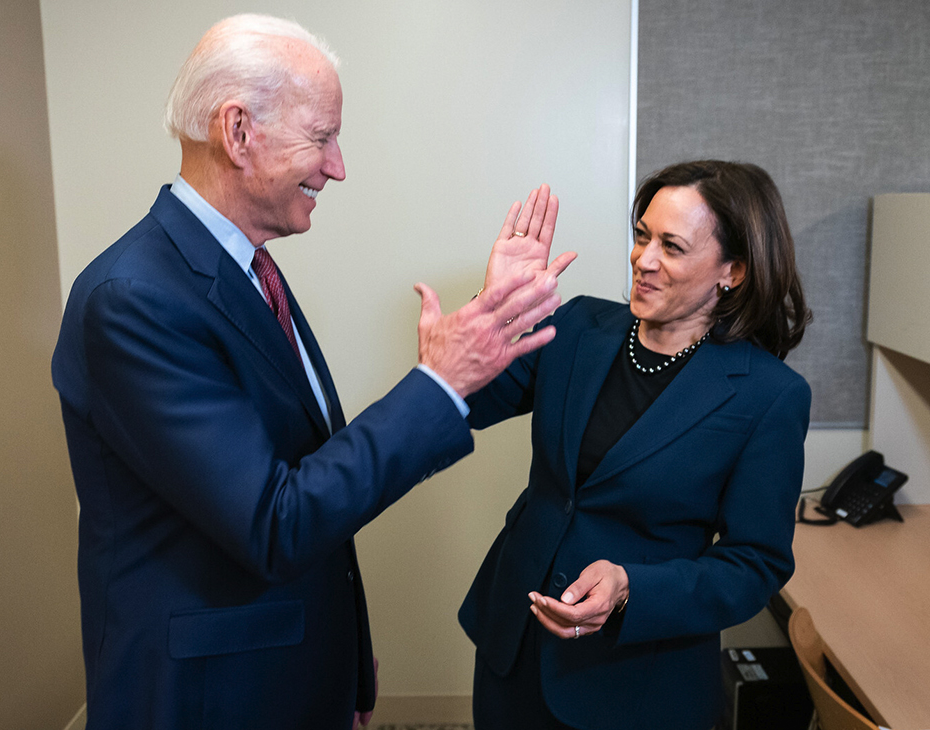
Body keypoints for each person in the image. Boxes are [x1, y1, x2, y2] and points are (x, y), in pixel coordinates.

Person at [51, 15, 572, 730]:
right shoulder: (134, 300)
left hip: (286, 674)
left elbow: (307, 473)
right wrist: (440, 381)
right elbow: (275, 522)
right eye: (322, 136)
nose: (338, 165)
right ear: (237, 132)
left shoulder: (248, 269)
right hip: (208, 699)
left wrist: (341, 662)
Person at [458, 160, 812, 730]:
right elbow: (465, 405)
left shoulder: (769, 396)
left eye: (672, 246)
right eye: (643, 236)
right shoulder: (577, 327)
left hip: (634, 680)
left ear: (733, 271)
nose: (643, 259)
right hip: (515, 643)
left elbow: (755, 563)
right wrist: (492, 309)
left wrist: (632, 588)